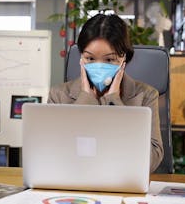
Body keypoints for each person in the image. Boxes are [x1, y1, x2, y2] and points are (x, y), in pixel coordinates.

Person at [48, 13, 163, 172]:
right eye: (90, 58)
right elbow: (56, 156)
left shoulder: (146, 95)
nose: (99, 66)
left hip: (124, 184)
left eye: (109, 60)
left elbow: (150, 161)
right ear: (81, 57)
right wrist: (86, 99)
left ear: (123, 58)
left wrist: (113, 100)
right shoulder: (58, 95)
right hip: (74, 184)